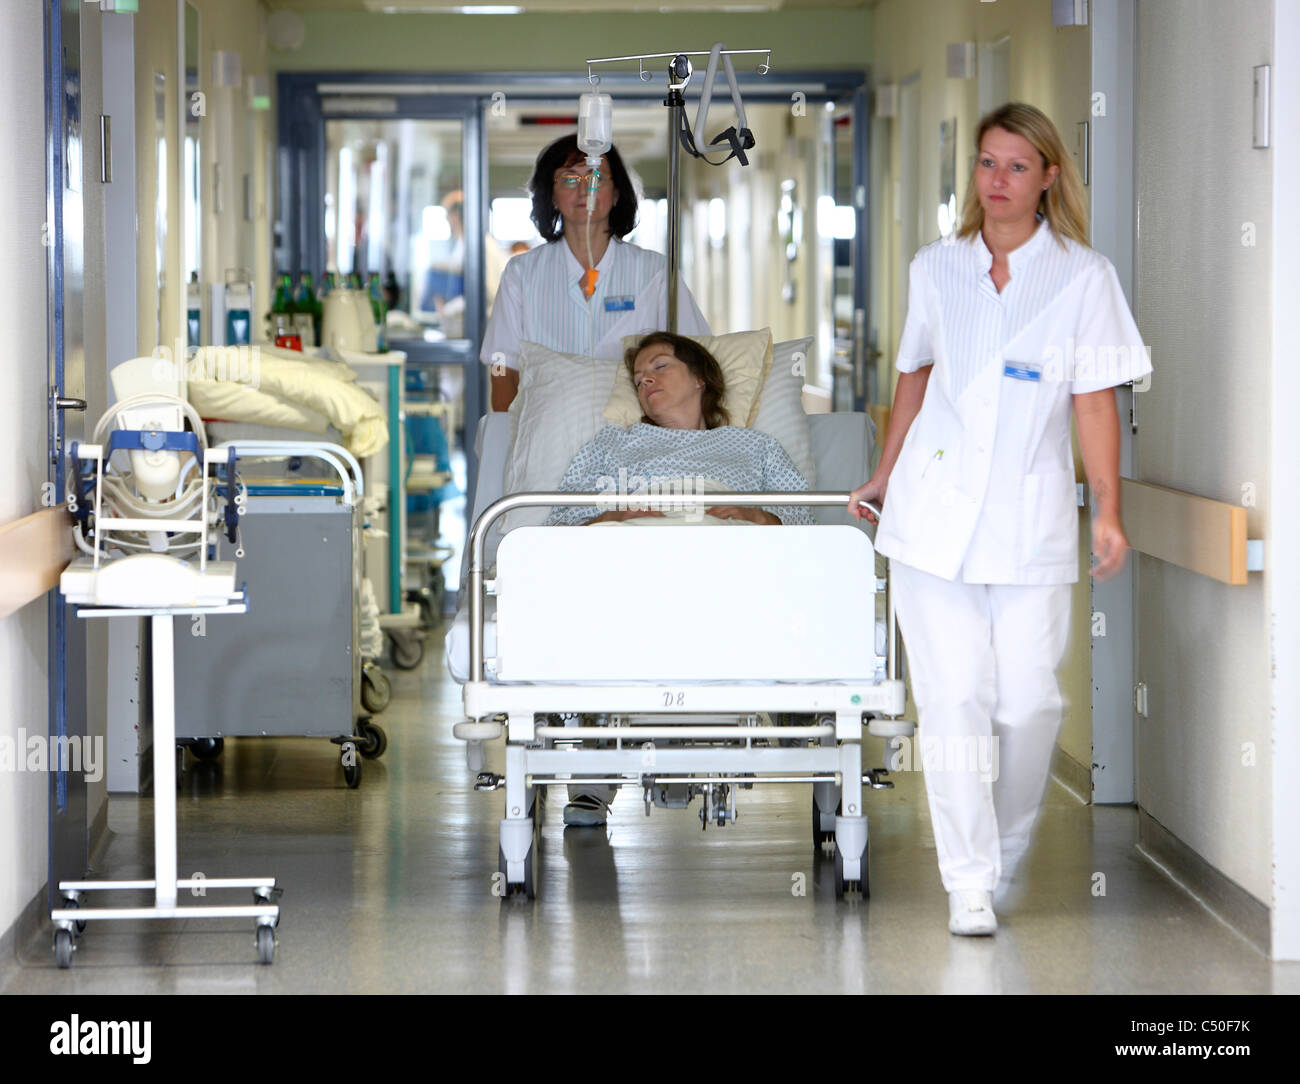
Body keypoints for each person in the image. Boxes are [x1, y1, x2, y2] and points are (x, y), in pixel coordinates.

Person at [849, 103, 1151, 936]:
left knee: (1028, 707)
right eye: (988, 164)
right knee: (954, 701)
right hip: (929, 513)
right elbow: (913, 375)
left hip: (1031, 517)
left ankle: (1005, 846)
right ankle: (969, 880)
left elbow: (1095, 401)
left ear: (1050, 176)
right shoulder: (936, 267)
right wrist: (882, 471)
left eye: (1018, 167)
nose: (999, 181)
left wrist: (1109, 511)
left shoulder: (1084, 277)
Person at [548, 333, 812, 825]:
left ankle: (803, 730)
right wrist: (615, 517)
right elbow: (560, 525)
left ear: (701, 378)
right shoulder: (613, 445)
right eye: (639, 376)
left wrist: (753, 516)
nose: (646, 379)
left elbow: (805, 524)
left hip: (728, 557)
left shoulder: (755, 448)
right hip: (635, 560)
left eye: (661, 366)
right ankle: (593, 772)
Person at [480, 134, 710, 412]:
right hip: (548, 436)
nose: (584, 190)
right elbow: (502, 366)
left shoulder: (655, 272)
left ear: (615, 194)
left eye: (596, 177)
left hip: (635, 437)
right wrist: (507, 435)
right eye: (569, 178)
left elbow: (697, 356)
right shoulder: (521, 274)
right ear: (551, 195)